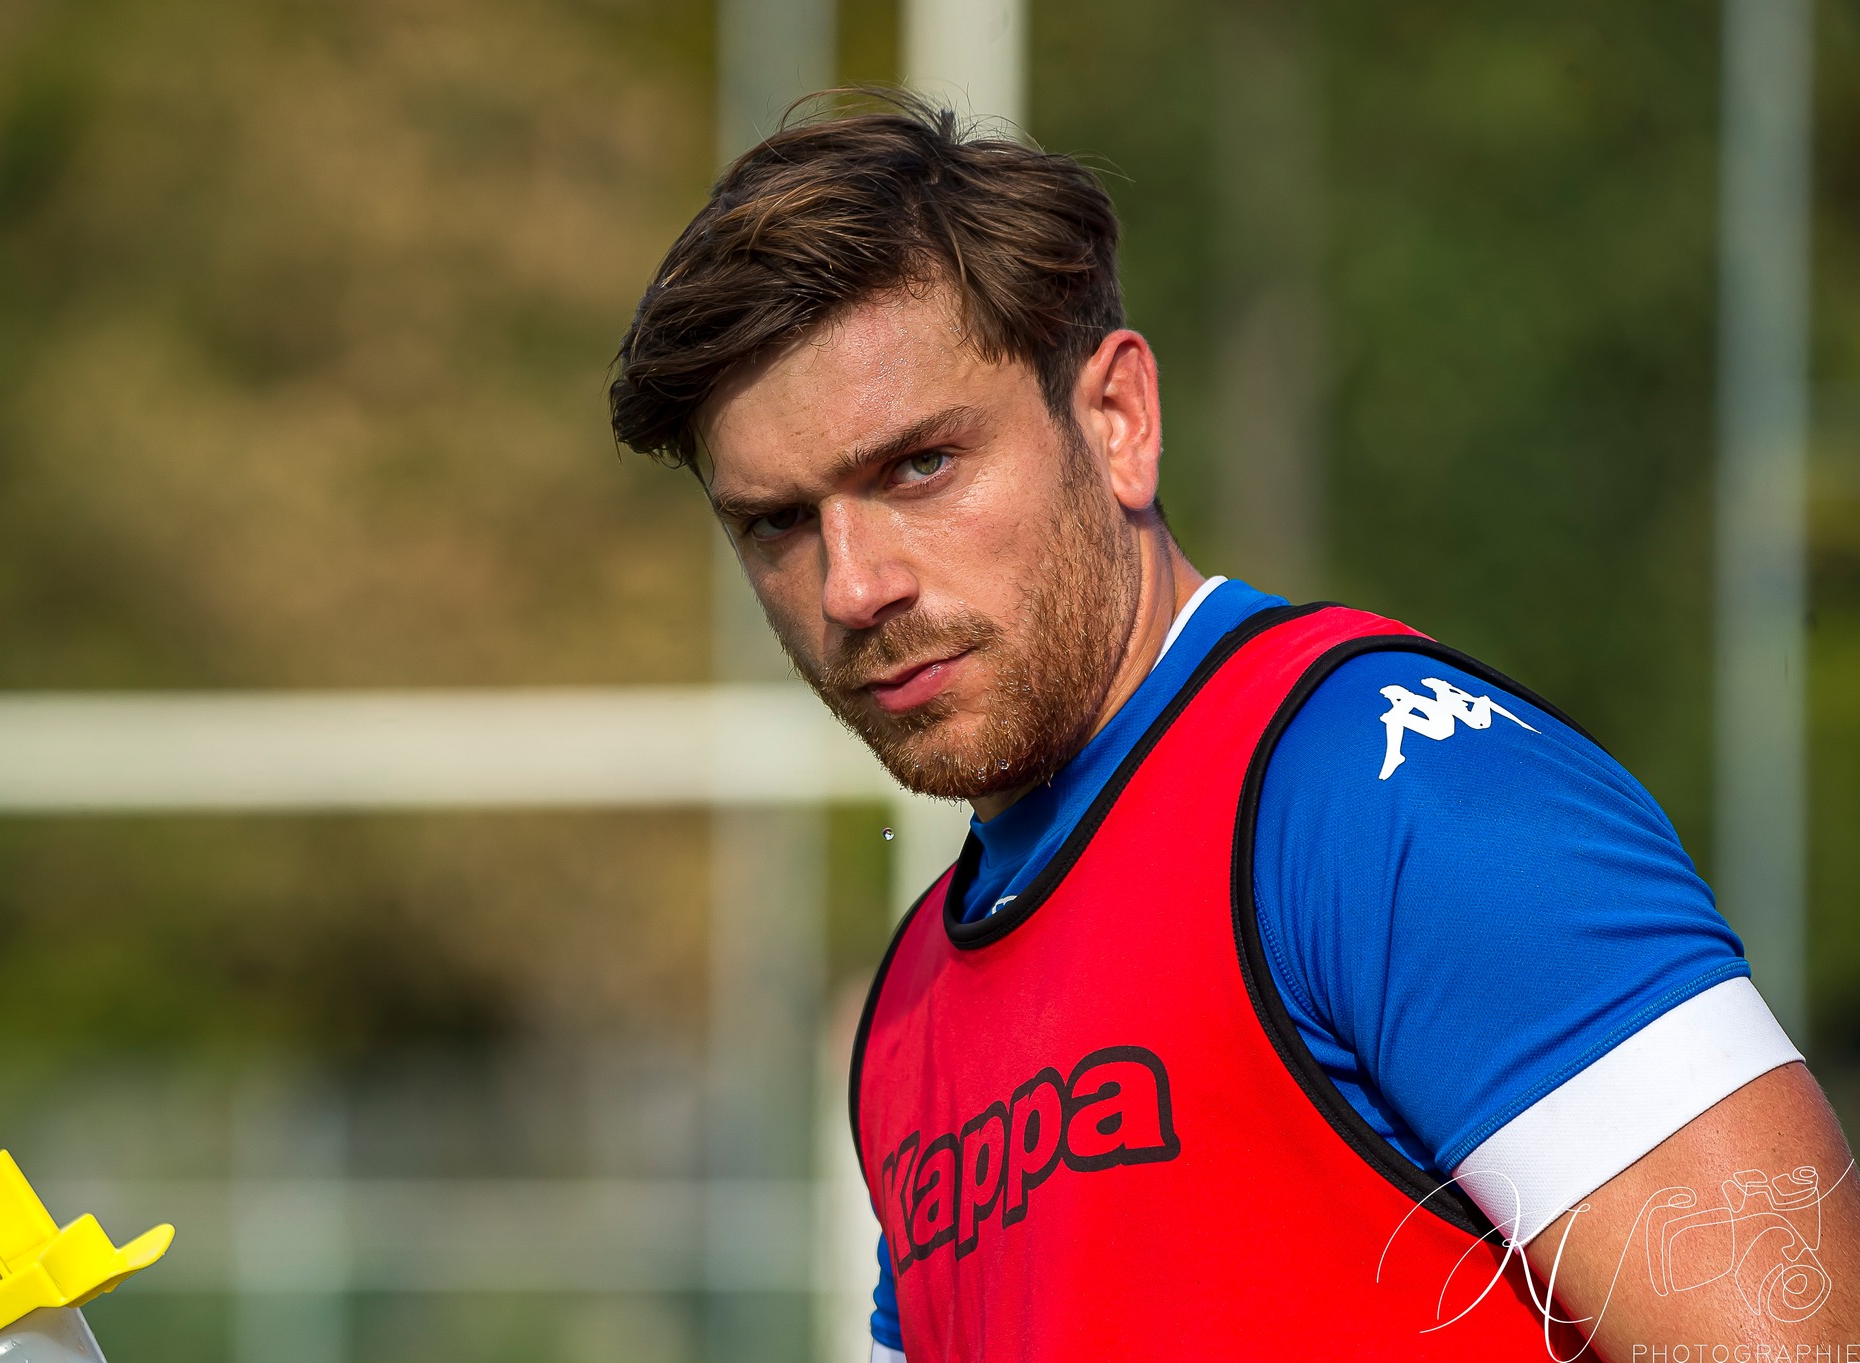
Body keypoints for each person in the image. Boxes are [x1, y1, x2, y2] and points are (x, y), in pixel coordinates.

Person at [609, 94, 1859, 1361]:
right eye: (775, 522)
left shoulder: (1388, 791)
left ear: (1115, 422)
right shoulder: (907, 1016)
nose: (851, 584)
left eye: (918, 466)